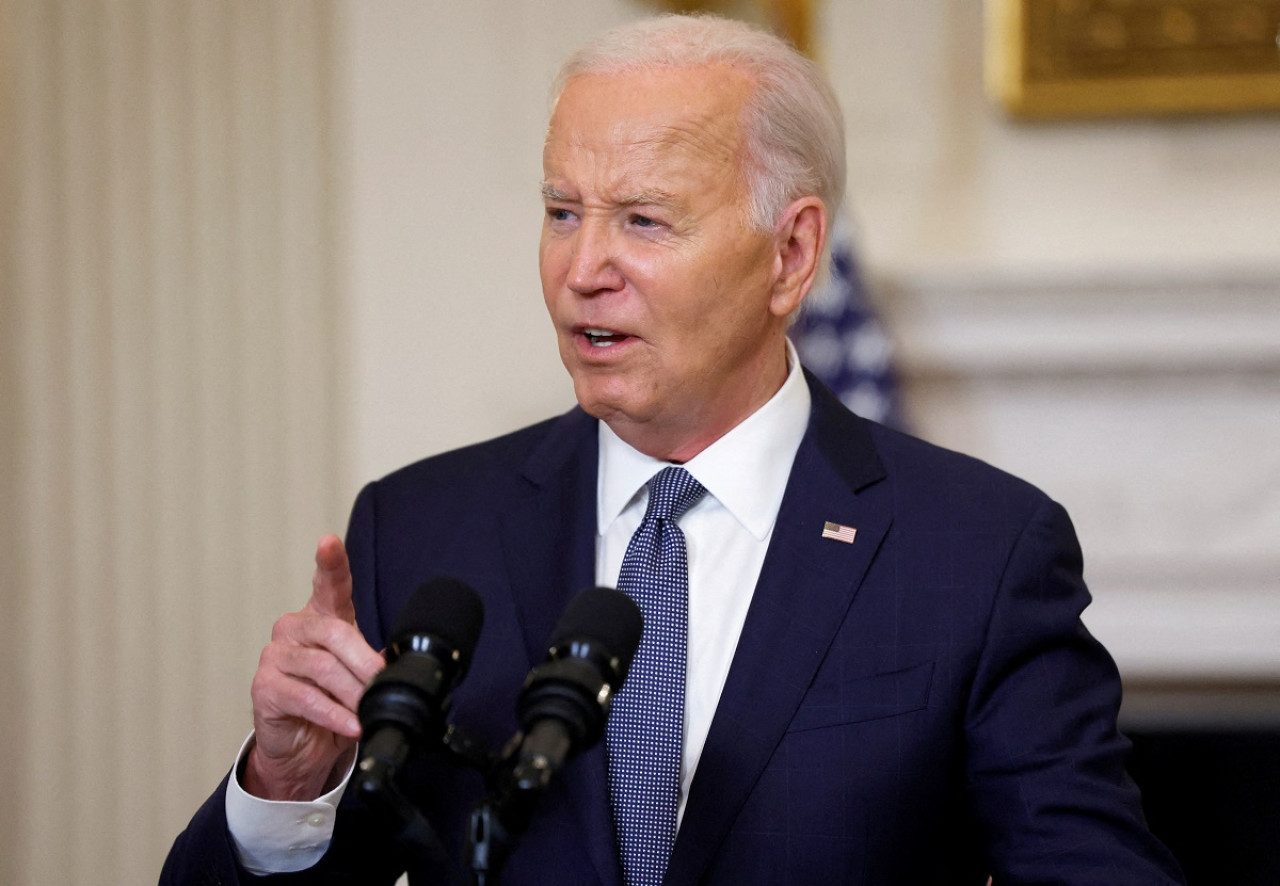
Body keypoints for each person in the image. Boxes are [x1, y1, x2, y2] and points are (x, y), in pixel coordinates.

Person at [163, 14, 1184, 886]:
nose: (582, 268)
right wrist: (287, 783)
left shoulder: (976, 551)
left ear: (789, 254)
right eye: (562, 212)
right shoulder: (424, 530)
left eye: (643, 221)